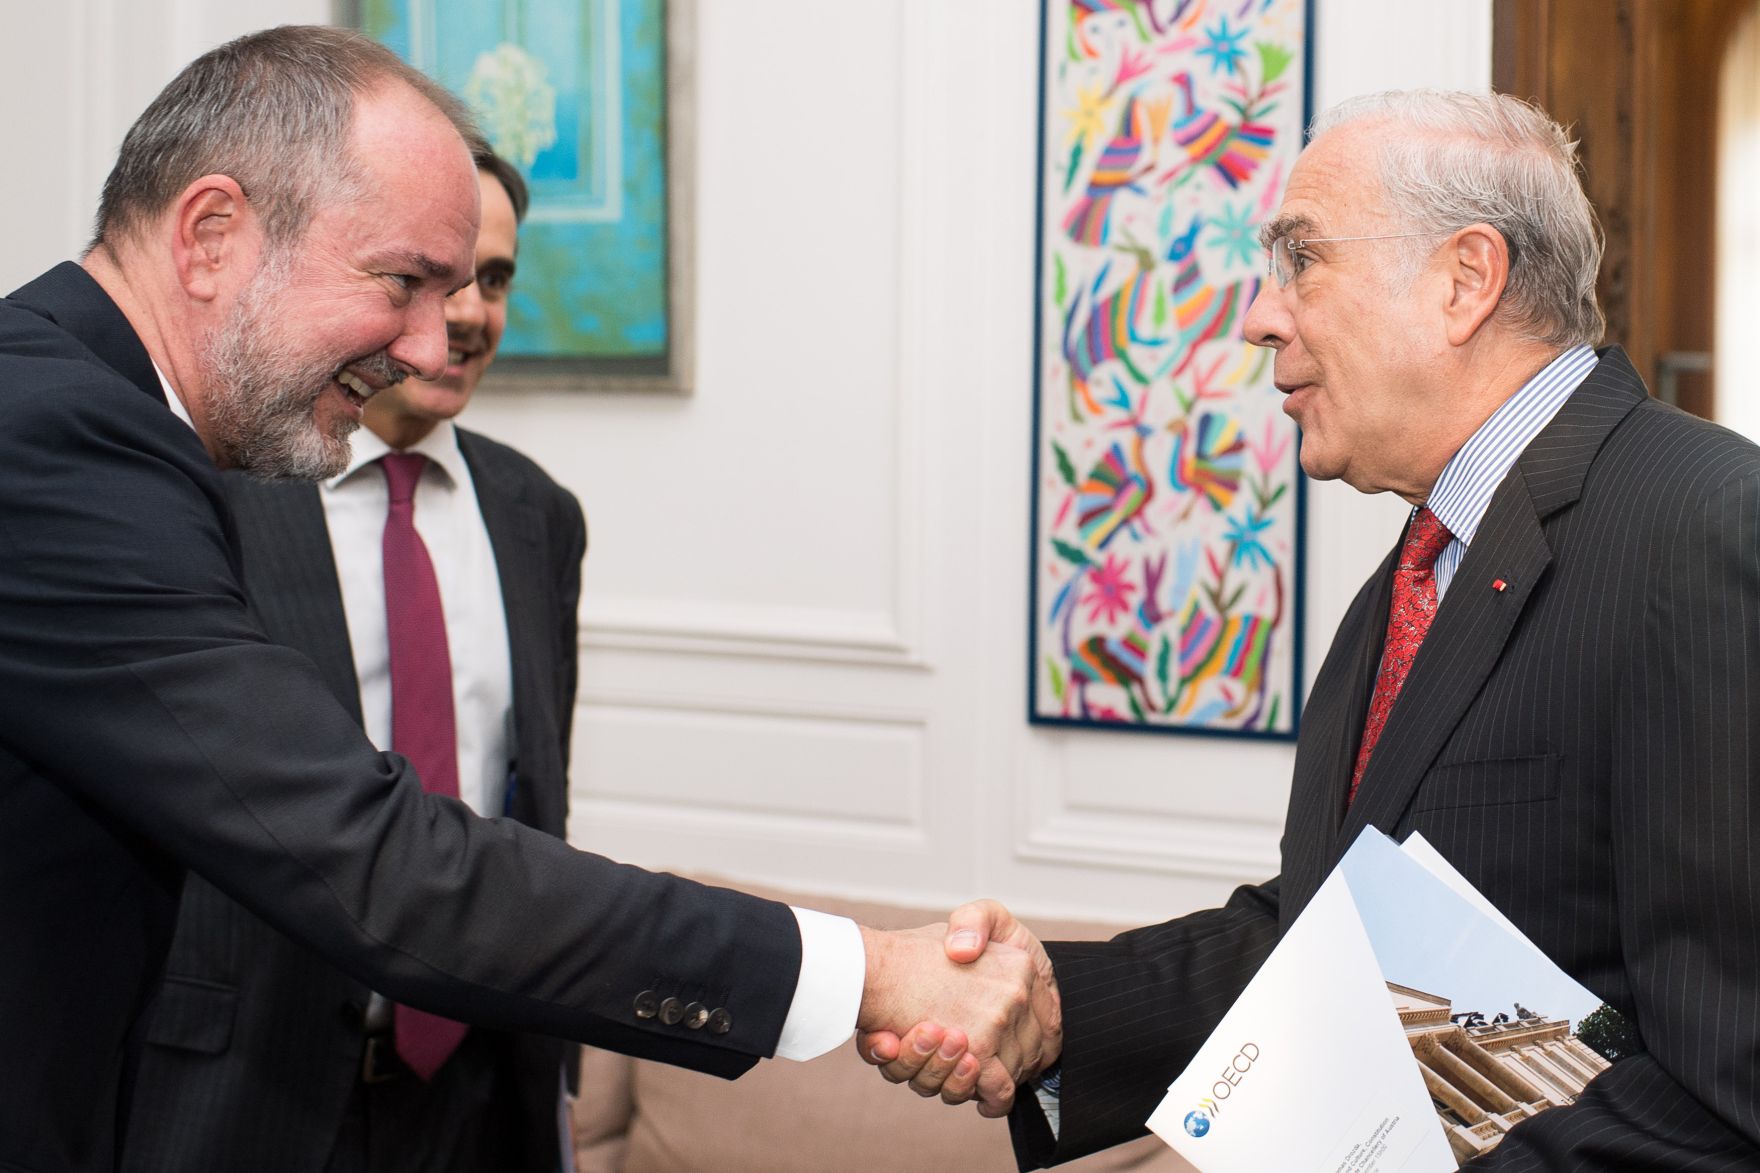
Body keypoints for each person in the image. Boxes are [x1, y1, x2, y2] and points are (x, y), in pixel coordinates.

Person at [0, 26, 1055, 1173]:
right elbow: (374, 860)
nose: (423, 346)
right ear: (211, 237)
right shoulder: (57, 435)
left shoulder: (97, 418)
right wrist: (861, 971)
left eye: (461, 290)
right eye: (400, 281)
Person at [870, 89, 1760, 1170]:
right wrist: (1051, 1013)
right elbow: (1330, 937)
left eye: (1300, 259)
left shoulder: (1707, 524)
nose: (1259, 315)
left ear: (1461, 280)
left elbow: (1729, 1089)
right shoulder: (1419, 568)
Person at [121, 140, 582, 1173]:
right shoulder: (211, 487)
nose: (465, 317)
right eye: (425, 282)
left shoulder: (538, 516)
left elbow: (532, 808)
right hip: (246, 1092)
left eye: (493, 282)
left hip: (480, 1094)